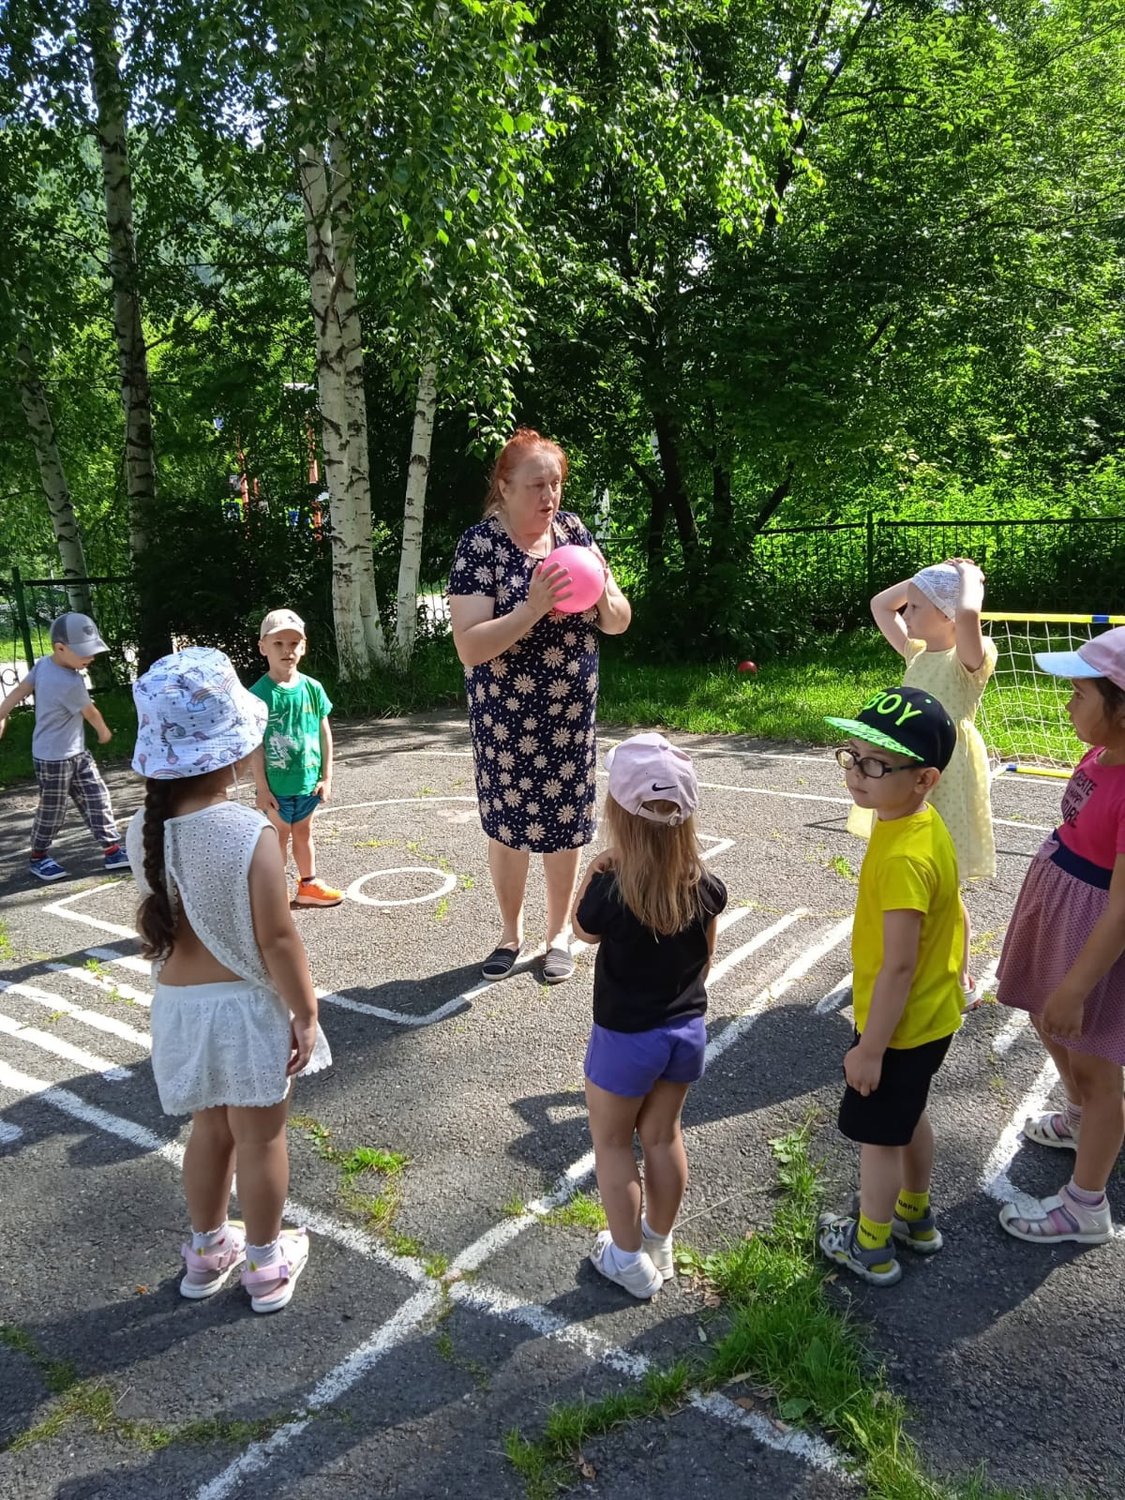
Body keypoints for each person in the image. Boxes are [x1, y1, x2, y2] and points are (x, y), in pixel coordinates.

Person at [127, 647, 331, 1313]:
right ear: (232, 751)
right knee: (260, 1137)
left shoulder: (143, 830)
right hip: (243, 1010)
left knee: (208, 1131)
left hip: (178, 1008)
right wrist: (305, 1011)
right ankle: (266, 1265)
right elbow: (277, 938)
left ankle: (207, 1251)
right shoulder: (248, 831)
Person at [448, 428, 631, 985]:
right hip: (506, 720)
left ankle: (557, 935)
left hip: (570, 717)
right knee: (508, 828)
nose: (549, 496)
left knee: (566, 827)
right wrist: (531, 608)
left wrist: (603, 589)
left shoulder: (573, 533)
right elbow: (470, 646)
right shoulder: (480, 546)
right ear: (504, 487)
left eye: (555, 484)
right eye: (536, 485)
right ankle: (510, 934)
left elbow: (619, 621)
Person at [571, 733, 727, 1298]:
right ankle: (658, 1240)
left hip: (625, 1037)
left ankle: (628, 1260)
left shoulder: (611, 889)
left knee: (613, 1144)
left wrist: (594, 869)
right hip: (685, 1029)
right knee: (662, 1137)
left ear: (618, 812)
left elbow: (581, 932)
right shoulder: (706, 885)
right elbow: (706, 958)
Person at [818, 686, 962, 1286]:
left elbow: (900, 965)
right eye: (853, 756)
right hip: (930, 1015)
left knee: (878, 1139)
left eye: (876, 764)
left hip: (896, 1027)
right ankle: (914, 1216)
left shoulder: (904, 856)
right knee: (908, 1114)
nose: (857, 773)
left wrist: (870, 1048)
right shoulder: (917, 822)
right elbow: (953, 907)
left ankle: (870, 1244)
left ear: (924, 779)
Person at [994, 628, 1125, 1246]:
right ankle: (1078, 1117)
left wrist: (1076, 987)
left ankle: (1085, 1205)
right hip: (1063, 913)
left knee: (1098, 1069)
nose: (1067, 705)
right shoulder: (1101, 753)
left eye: (1079, 695)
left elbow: (1122, 908)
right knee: (1045, 1017)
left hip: (1097, 940)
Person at [861, 559, 996, 1004]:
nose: (907, 612)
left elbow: (970, 615)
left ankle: (959, 975)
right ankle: (904, 959)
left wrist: (968, 579)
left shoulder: (969, 658)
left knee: (944, 883)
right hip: (907, 773)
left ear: (947, 614)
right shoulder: (916, 651)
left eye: (917, 606)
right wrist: (923, 579)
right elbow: (880, 605)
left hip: (949, 776)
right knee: (905, 862)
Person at [0, 611, 129, 882]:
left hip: (77, 753)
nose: (90, 658)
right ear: (60, 648)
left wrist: (1, 714)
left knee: (96, 797)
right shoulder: (68, 681)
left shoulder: (44, 665)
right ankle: (38, 857)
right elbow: (90, 712)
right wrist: (104, 731)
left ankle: (112, 849)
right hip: (53, 758)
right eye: (84, 653)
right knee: (53, 810)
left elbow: (20, 691)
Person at [249, 608, 343, 907]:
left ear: (303, 646)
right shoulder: (258, 695)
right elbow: (255, 745)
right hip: (276, 787)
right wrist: (262, 788)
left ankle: (308, 885)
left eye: (293, 643)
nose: (286, 650)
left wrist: (327, 777)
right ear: (263, 647)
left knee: (304, 832)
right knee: (279, 835)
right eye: (278, 643)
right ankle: (276, 893)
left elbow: (324, 733)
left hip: (308, 781)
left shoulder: (313, 688)